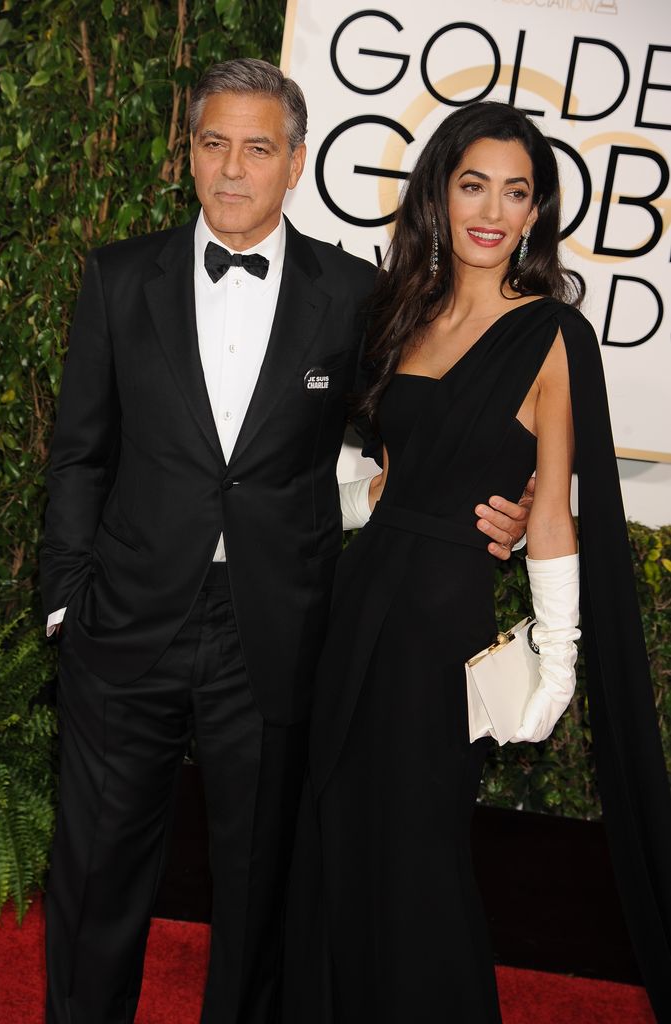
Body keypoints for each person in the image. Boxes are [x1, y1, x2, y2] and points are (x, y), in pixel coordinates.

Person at [39, 60, 530, 1024]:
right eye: (213, 144)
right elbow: (79, 454)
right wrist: (68, 603)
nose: (232, 169)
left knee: (259, 894)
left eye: (257, 148)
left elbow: (416, 431)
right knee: (94, 878)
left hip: (275, 636)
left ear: (295, 162)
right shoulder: (119, 275)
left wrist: (502, 504)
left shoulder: (353, 294)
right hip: (124, 625)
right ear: (188, 154)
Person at [283, 101, 671, 1023]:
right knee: (338, 831)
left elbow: (549, 510)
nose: (491, 209)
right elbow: (367, 472)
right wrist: (365, 497)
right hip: (359, 600)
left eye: (516, 191)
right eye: (472, 185)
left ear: (536, 212)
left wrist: (558, 657)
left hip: (441, 626)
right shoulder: (400, 314)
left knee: (419, 853)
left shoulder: (552, 335)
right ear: (439, 195)